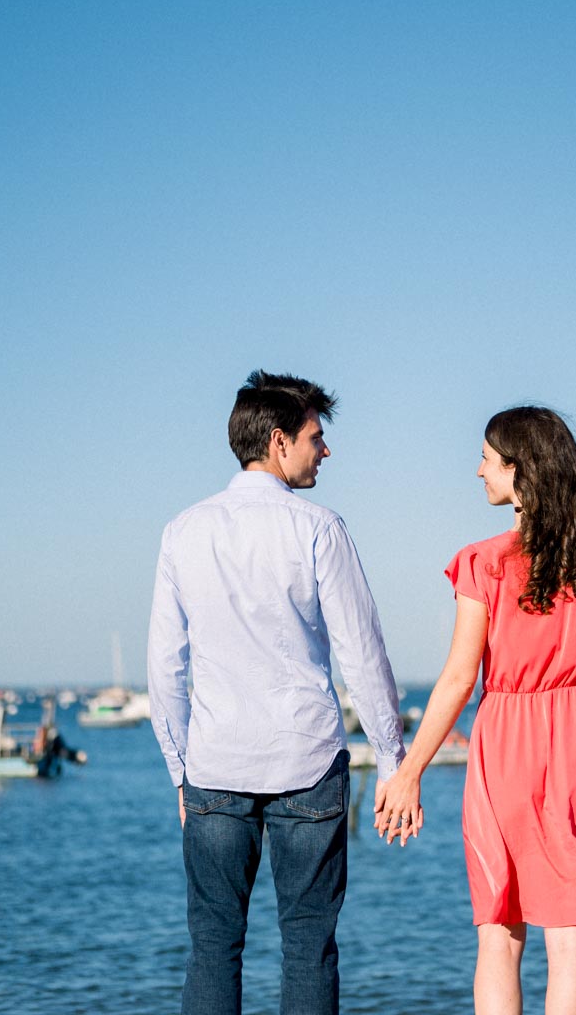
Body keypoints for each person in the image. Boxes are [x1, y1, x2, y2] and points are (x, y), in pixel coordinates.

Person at [148, 370, 408, 1015]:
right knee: (309, 944)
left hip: (214, 766)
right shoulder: (318, 526)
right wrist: (394, 759)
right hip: (308, 763)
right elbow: (363, 654)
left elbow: (164, 665)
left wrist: (181, 772)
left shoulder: (183, 530)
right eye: (317, 437)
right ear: (278, 440)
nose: (326, 450)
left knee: (212, 945)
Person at [376, 405, 576, 1015]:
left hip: (503, 746)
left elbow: (456, 679)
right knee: (571, 939)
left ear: (519, 470)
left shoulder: (483, 562)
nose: (477, 472)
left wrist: (410, 770)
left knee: (499, 932)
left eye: (486, 459)